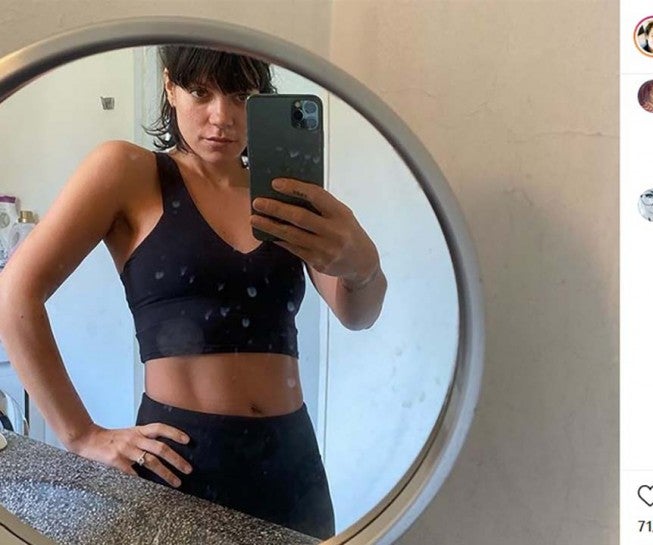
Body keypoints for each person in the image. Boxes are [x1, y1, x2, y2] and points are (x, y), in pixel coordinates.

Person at [0, 45, 387, 539]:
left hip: (293, 465)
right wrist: (80, 435)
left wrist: (364, 267)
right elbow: (14, 294)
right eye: (200, 92)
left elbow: (357, 314)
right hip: (180, 463)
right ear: (169, 87)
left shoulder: (284, 193)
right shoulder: (128, 172)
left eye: (240, 95)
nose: (221, 117)